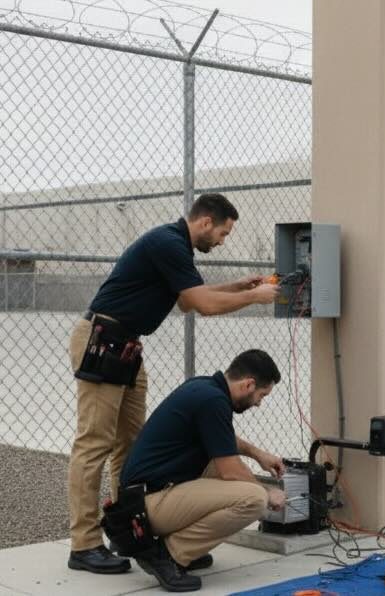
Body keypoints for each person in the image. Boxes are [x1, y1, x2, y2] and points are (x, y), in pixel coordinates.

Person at [67, 193, 281, 574]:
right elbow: (204, 306)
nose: (222, 241)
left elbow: (186, 301)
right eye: (223, 233)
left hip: (127, 346)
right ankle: (83, 545)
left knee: (128, 447)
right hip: (104, 342)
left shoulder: (177, 248)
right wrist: (254, 297)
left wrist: (237, 286)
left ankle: (128, 532)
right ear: (204, 223)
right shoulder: (169, 243)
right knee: (94, 443)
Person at [118, 349, 287, 592]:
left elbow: (221, 436)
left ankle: (186, 550)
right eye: (262, 395)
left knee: (223, 472)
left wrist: (258, 454)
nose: (260, 403)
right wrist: (268, 491)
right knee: (253, 498)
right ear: (249, 384)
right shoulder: (214, 401)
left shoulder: (205, 387)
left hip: (138, 501)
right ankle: (167, 555)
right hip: (143, 510)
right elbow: (230, 470)